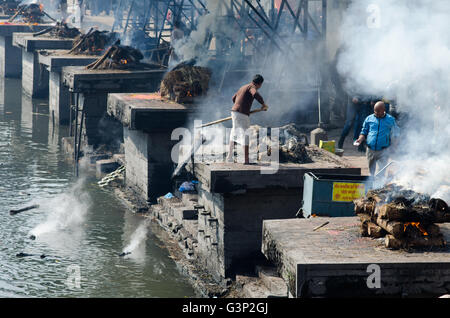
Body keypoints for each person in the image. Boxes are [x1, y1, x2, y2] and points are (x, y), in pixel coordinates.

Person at [226, 74, 269, 164]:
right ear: (260, 84)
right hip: (241, 114)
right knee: (245, 135)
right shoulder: (252, 87)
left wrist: (240, 105)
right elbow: (255, 94)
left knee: (234, 134)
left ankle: (229, 157)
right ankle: (246, 160)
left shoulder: (243, 87)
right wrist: (263, 104)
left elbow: (233, 98)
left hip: (234, 112)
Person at [355, 101, 399, 176]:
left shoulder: (390, 120)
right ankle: (371, 186)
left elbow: (395, 134)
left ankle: (379, 187)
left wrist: (394, 146)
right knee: (371, 173)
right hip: (370, 149)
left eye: (378, 111)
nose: (376, 113)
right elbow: (364, 132)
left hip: (383, 151)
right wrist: (360, 139)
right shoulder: (369, 119)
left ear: (384, 110)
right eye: (375, 111)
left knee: (381, 173)